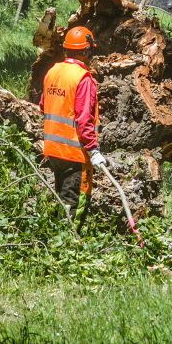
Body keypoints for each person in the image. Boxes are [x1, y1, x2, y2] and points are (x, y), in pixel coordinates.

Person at [41, 26, 106, 217]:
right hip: (75, 154)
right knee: (74, 206)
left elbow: (43, 105)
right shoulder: (83, 78)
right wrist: (92, 149)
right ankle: (68, 244)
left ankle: (56, 240)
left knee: (62, 199)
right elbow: (84, 119)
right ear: (86, 51)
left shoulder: (52, 71)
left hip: (53, 150)